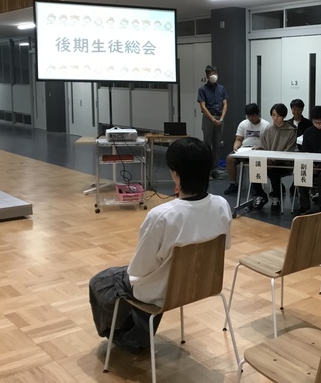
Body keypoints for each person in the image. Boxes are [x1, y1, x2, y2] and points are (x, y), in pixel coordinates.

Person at [89, 138, 231, 354]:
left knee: (101, 281)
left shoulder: (161, 215)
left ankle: (129, 338)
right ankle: (138, 333)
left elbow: (139, 269)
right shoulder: (222, 205)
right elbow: (224, 246)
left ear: (175, 173)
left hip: (162, 292)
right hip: (202, 285)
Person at [250, 103, 297, 211]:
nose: (275, 118)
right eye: (273, 115)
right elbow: (263, 147)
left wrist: (273, 160)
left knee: (273, 171)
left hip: (284, 163)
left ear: (283, 116)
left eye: (278, 116)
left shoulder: (291, 130)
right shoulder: (268, 129)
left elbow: (289, 151)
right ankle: (261, 196)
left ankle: (276, 197)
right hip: (268, 162)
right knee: (255, 168)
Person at [223, 103, 270, 196]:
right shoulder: (243, 124)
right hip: (244, 149)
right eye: (249, 116)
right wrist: (236, 146)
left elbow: (267, 142)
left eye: (253, 116)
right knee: (230, 158)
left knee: (255, 160)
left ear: (258, 114)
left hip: (258, 149)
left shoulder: (266, 125)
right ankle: (233, 184)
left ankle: (256, 185)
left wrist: (260, 148)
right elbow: (238, 139)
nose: (251, 118)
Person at [197, 65, 228, 179]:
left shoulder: (221, 88)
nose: (213, 76)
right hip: (208, 118)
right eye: (211, 74)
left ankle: (215, 169)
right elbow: (203, 107)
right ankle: (207, 170)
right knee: (207, 145)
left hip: (220, 118)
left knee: (217, 145)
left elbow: (225, 105)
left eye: (215, 73)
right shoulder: (202, 89)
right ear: (207, 76)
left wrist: (221, 119)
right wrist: (213, 119)